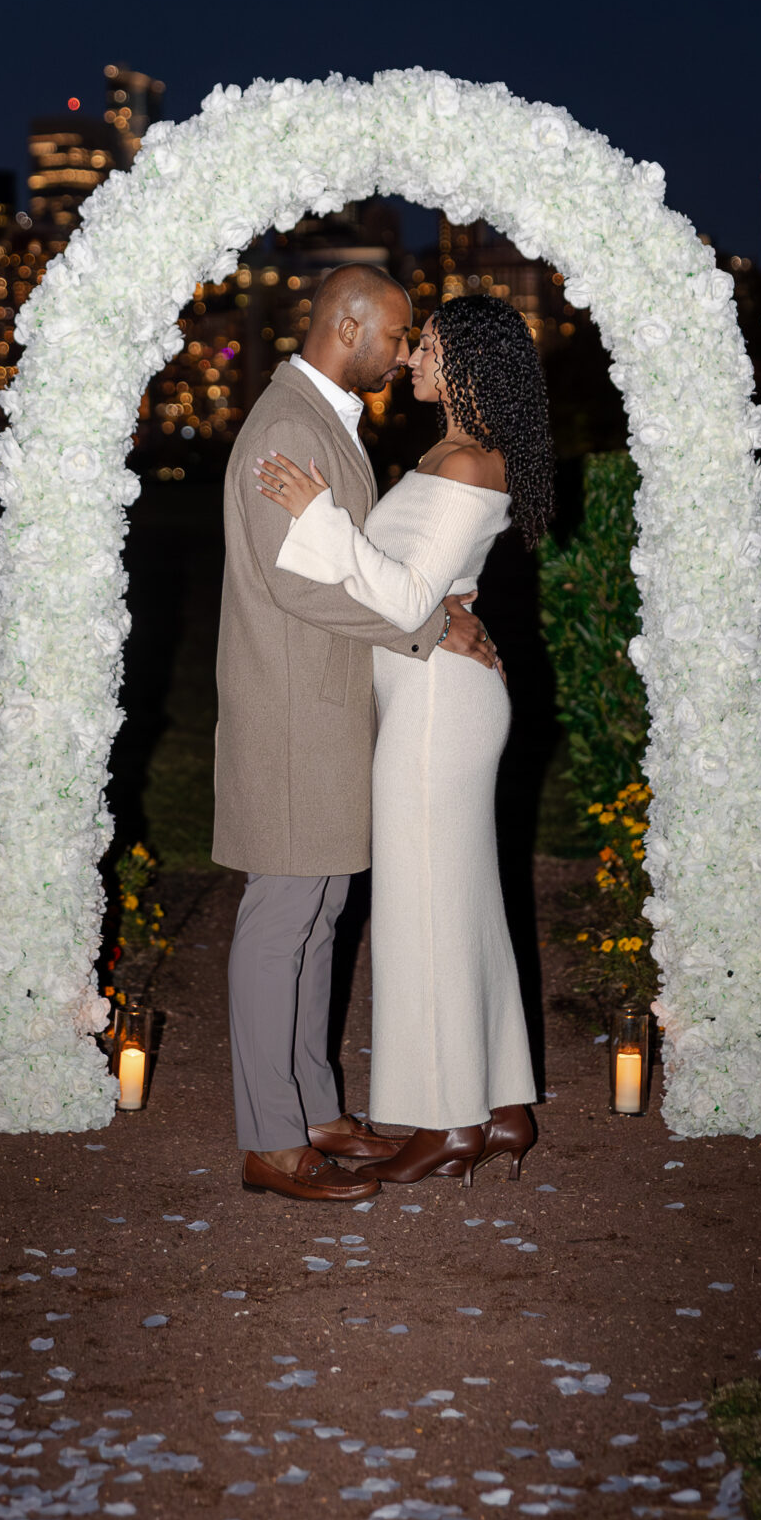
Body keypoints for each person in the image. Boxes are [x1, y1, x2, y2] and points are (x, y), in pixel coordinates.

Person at [215, 263, 500, 1203]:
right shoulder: (290, 425)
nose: (405, 351)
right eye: (397, 336)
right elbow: (299, 582)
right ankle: (270, 1142)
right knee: (281, 920)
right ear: (347, 325)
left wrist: (434, 604)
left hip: (335, 709)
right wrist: (426, 626)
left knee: (321, 917)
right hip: (294, 711)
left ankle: (312, 1109)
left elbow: (357, 560)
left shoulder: (325, 417)